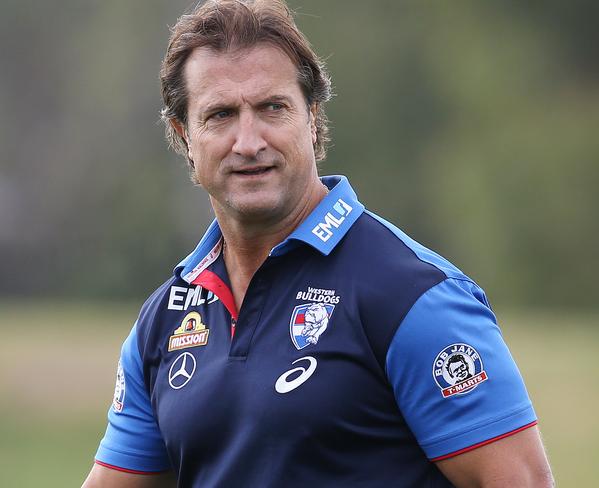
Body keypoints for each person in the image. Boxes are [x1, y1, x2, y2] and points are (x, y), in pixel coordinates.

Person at [82, 1, 554, 486]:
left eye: (272, 108)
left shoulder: (411, 295)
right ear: (185, 136)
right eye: (220, 115)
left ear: (311, 117)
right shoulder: (163, 320)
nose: (248, 141)